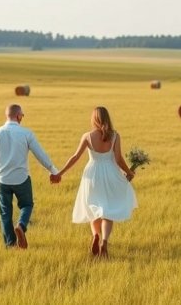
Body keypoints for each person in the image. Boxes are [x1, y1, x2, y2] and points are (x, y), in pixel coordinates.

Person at [54, 106, 137, 258]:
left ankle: (95, 235)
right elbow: (118, 159)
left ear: (94, 119)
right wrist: (129, 172)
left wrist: (60, 173)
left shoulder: (87, 136)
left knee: (94, 208)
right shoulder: (115, 136)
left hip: (92, 175)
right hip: (110, 174)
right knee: (108, 211)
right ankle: (104, 241)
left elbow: (75, 157)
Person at [0, 104, 61, 249]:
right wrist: (53, 170)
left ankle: (11, 245)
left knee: (5, 213)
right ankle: (21, 225)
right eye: (22, 116)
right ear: (18, 116)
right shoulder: (26, 133)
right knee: (27, 205)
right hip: (21, 179)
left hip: (2, 180)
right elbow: (40, 154)